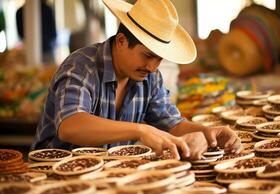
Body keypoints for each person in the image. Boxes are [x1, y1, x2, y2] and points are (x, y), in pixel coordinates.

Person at [31, 0, 241, 160]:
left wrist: (207, 131)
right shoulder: (81, 66)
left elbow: (172, 124)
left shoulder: (150, 77)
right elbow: (70, 125)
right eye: (147, 56)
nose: (152, 67)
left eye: (159, 59)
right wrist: (141, 130)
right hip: (51, 176)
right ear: (121, 41)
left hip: (109, 174)